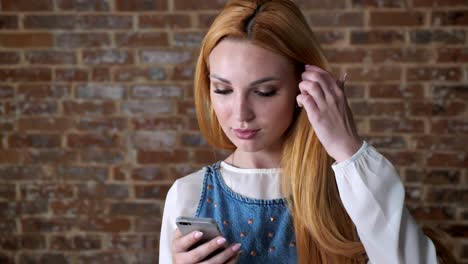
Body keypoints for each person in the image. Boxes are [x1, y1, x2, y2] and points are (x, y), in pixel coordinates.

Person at [159, 0, 455, 263]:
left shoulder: (350, 187)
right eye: (222, 89)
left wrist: (348, 149)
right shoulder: (188, 195)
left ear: (304, 86)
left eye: (264, 92)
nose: (240, 114)